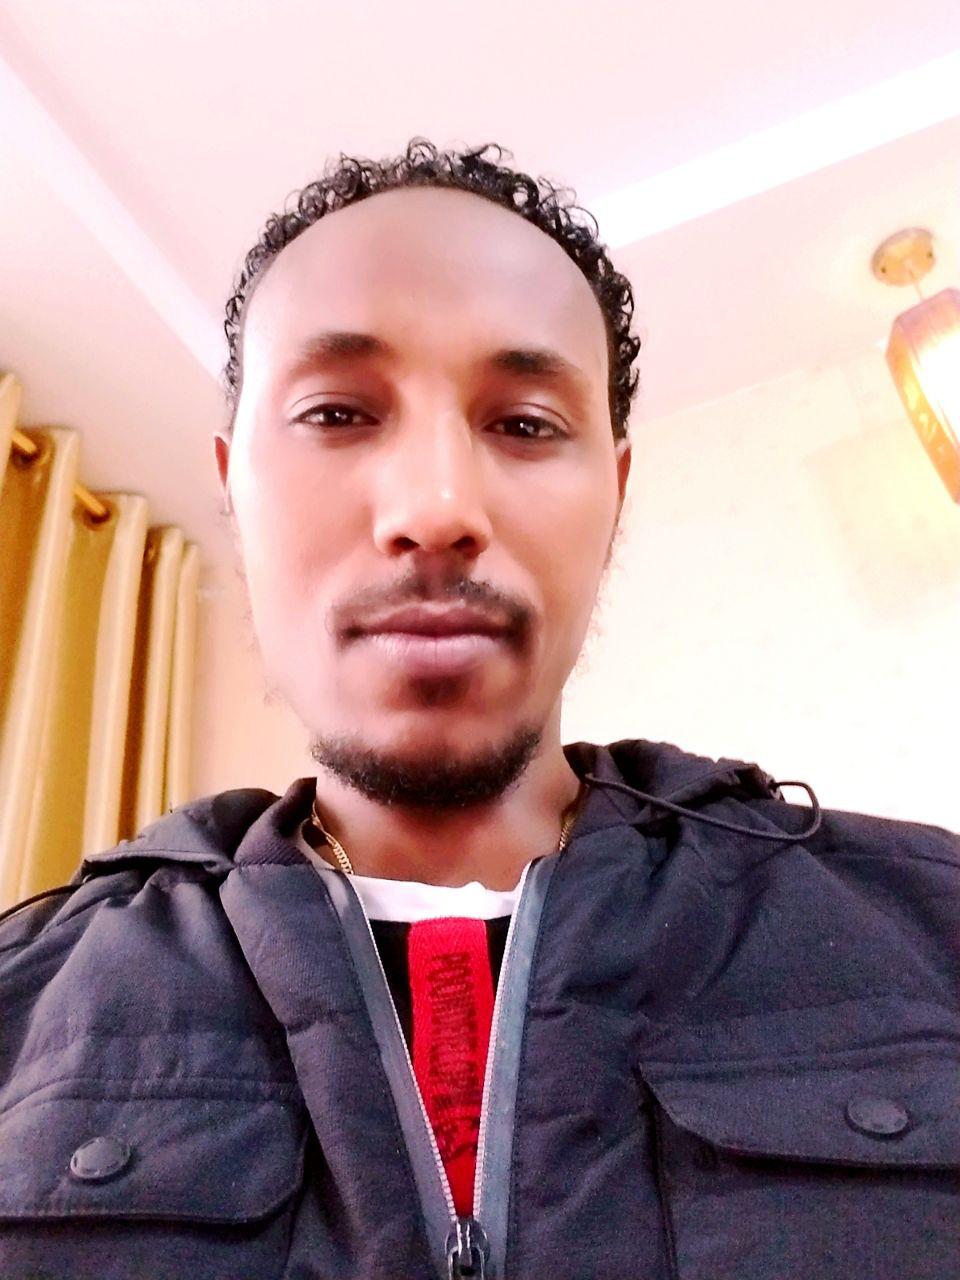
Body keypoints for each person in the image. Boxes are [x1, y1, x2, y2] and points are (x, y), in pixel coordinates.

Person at [0, 138, 957, 1280]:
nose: (437, 506)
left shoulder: (934, 930)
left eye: (526, 424)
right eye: (337, 413)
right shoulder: (22, 1005)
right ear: (232, 488)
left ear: (614, 495)